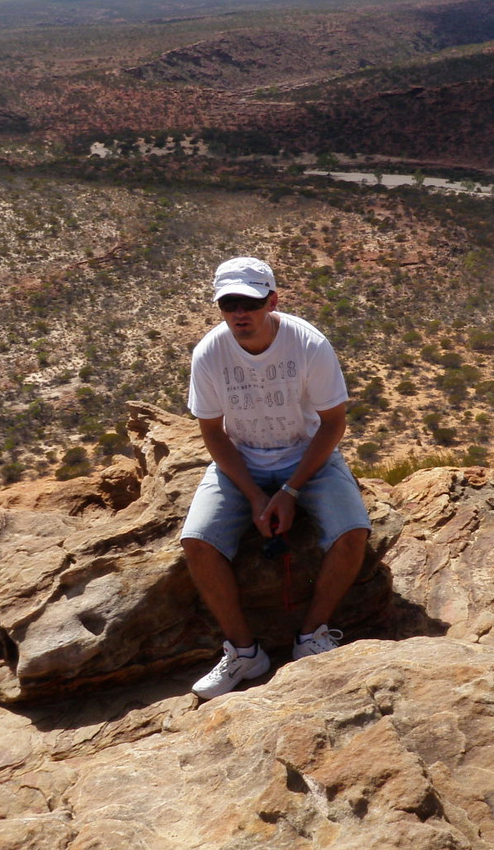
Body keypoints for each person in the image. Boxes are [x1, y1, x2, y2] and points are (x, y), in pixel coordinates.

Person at [179, 257, 372, 699]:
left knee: (353, 533)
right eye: (229, 304)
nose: (239, 313)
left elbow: (333, 422)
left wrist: (289, 490)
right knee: (197, 542)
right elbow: (212, 430)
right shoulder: (210, 353)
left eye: (249, 302)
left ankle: (310, 637)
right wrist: (251, 494)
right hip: (241, 458)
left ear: (272, 300)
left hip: (308, 456)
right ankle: (245, 653)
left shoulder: (308, 344)